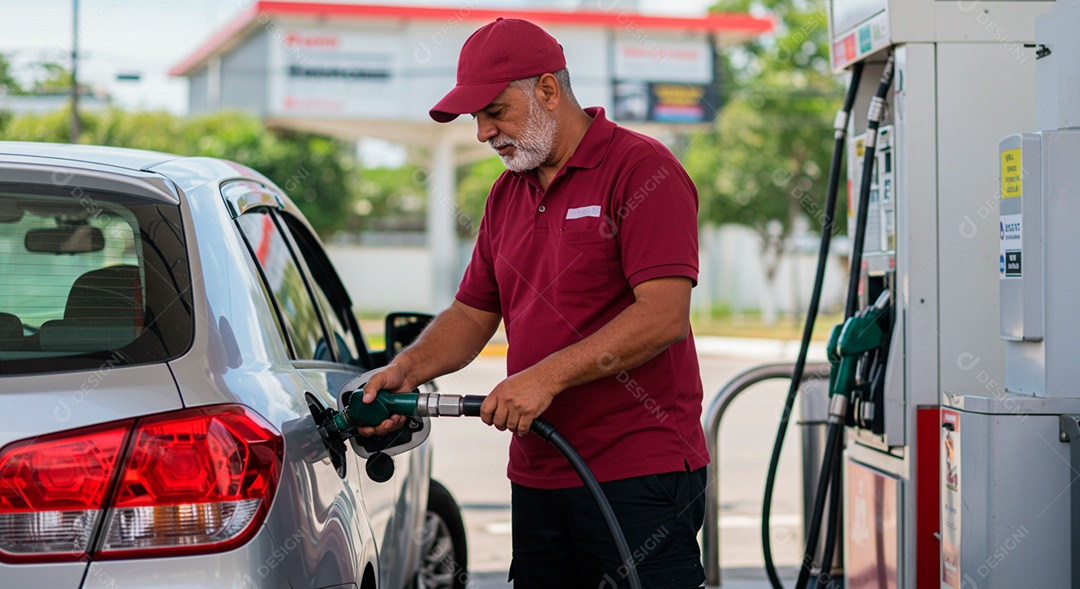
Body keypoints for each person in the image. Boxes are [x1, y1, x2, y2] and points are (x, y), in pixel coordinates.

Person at [359, 17, 710, 589]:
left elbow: (663, 315)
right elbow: (473, 314)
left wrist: (544, 378)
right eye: (477, 119)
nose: (482, 133)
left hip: (637, 473)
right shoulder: (506, 194)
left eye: (495, 111)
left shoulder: (642, 171)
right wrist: (403, 370)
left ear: (548, 90)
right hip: (540, 474)